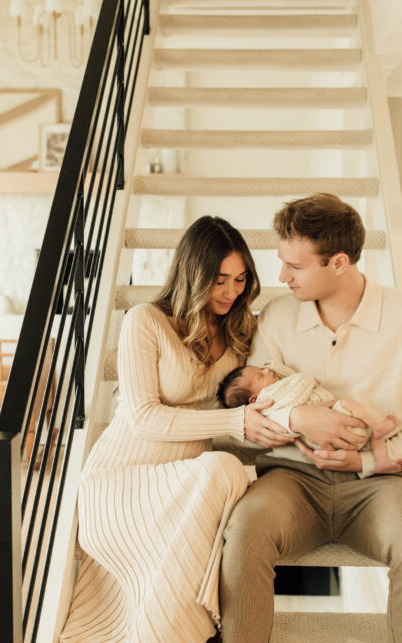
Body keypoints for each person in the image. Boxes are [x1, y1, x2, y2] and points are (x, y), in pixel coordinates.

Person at [219, 194, 402, 643]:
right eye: (281, 262)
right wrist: (300, 417)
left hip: (381, 484)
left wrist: (367, 462)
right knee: (245, 529)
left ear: (339, 262)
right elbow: (251, 414)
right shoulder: (276, 316)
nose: (281, 276)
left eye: (295, 266)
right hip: (292, 480)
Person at [60, 216, 296, 642]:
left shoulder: (239, 330)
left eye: (241, 279)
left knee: (225, 477)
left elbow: (273, 375)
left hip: (182, 488)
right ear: (193, 273)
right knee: (225, 469)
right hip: (120, 483)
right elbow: (142, 417)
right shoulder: (144, 320)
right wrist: (236, 422)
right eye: (220, 279)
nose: (231, 292)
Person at [216, 362, 402, 474]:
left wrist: (271, 369)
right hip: (331, 418)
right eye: (260, 375)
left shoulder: (270, 395)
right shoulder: (270, 397)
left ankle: (380, 461)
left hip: (321, 437)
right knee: (353, 406)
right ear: (253, 399)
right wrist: (307, 379)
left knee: (365, 423)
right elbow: (297, 383)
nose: (267, 370)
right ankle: (378, 436)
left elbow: (286, 377)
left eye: (262, 369)